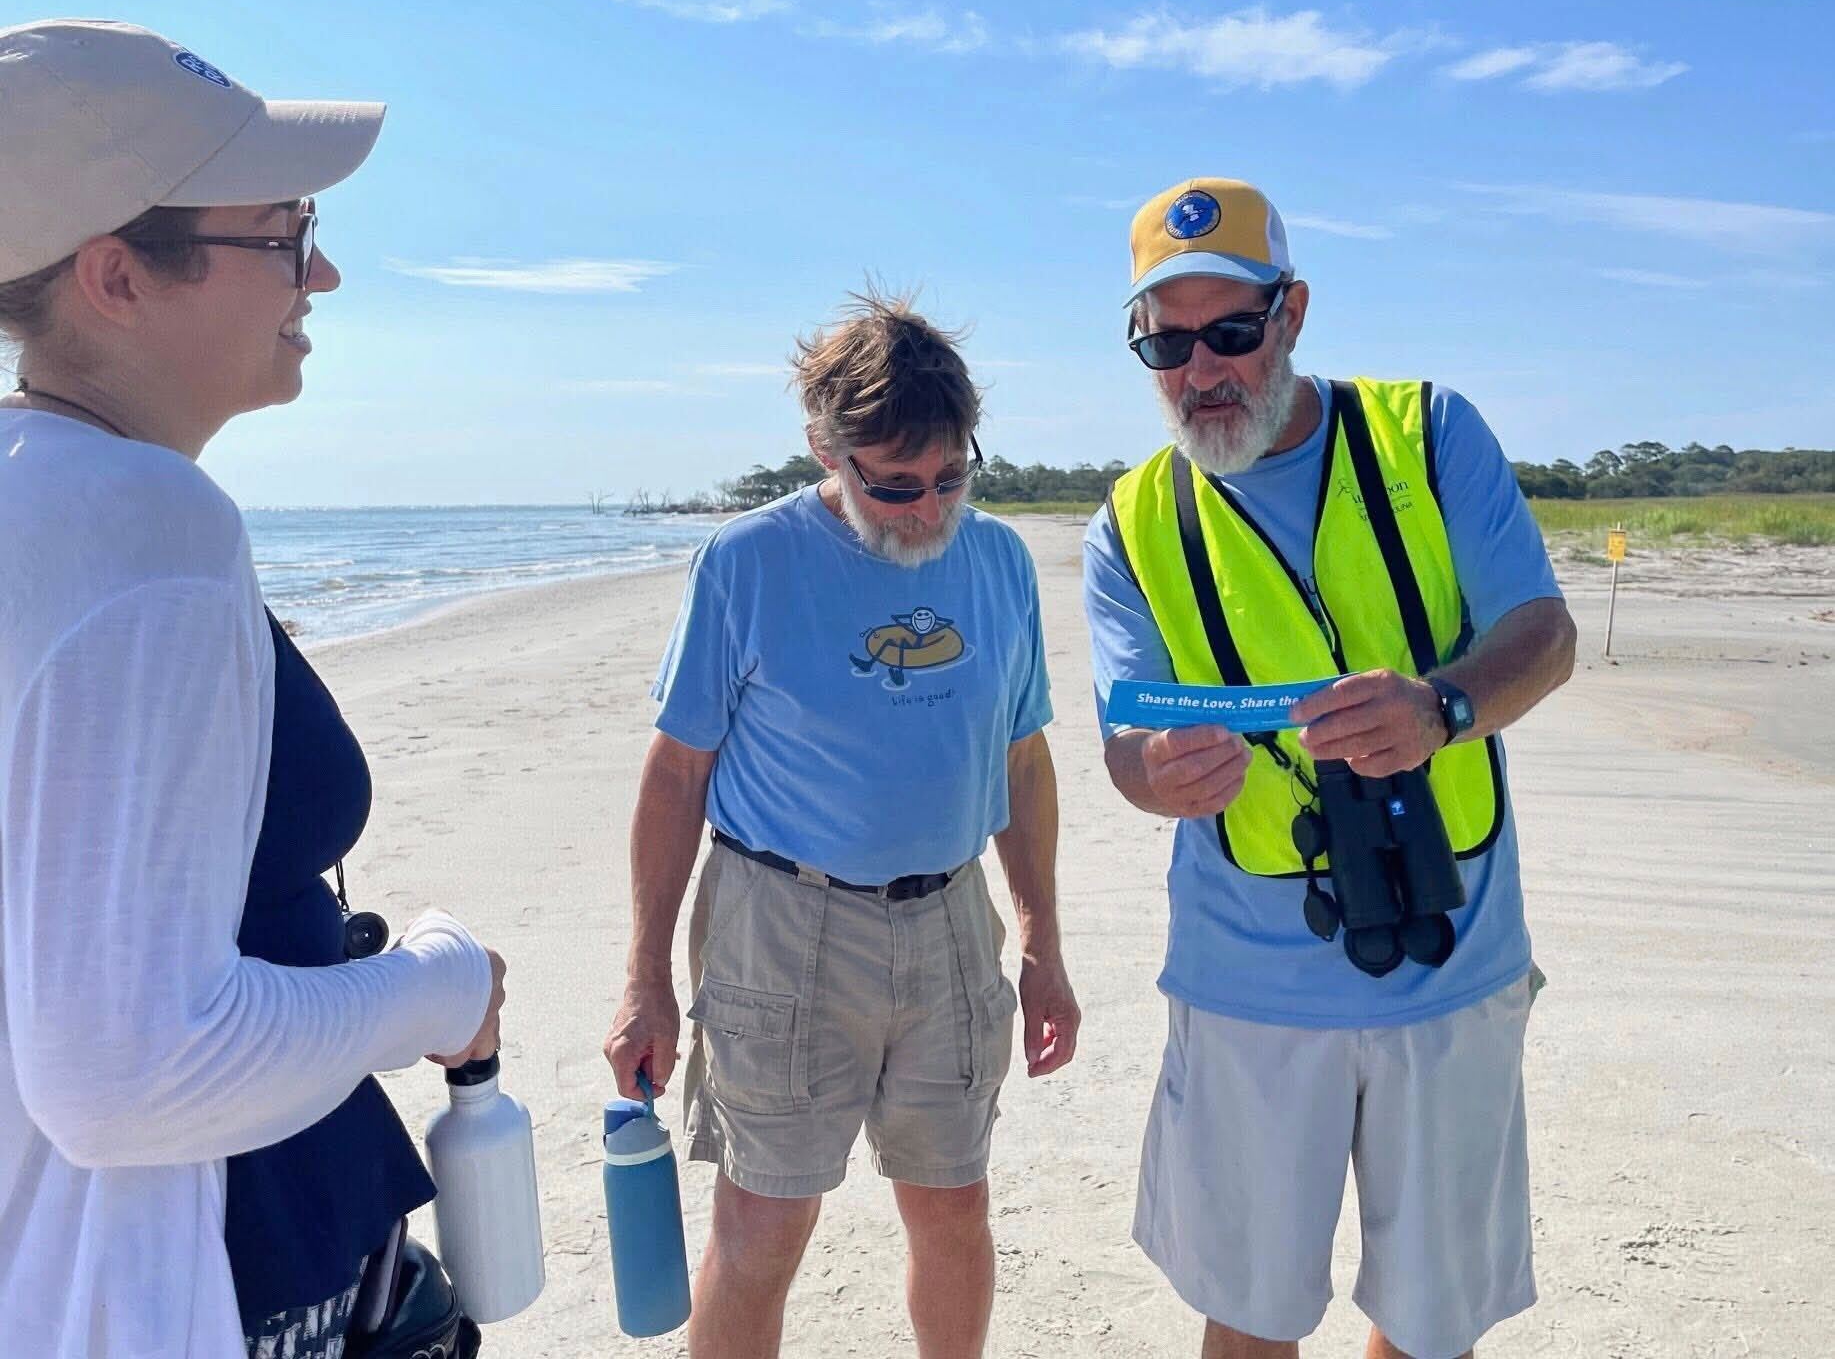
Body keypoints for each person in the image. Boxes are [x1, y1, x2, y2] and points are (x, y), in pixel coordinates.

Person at [0, 19, 506, 1359]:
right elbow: (125, 1074)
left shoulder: (33, 500)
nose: (321, 270)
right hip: (145, 1286)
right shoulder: (139, 528)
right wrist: (435, 992)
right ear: (115, 275)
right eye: (282, 232)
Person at [1083, 177, 1577, 1359]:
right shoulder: (1130, 520)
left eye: (1230, 332)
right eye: (1164, 341)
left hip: (1450, 966)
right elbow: (1121, 750)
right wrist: (1157, 774)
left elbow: (1543, 637)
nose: (1199, 369)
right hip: (1244, 986)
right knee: (1247, 1316)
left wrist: (1442, 704)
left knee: (1429, 1319)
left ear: (1291, 311)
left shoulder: (1429, 431)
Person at [603, 289, 1080, 1359]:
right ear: (825, 448)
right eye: (894, 485)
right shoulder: (745, 561)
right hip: (781, 925)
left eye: (949, 478)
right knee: (763, 1223)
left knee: (953, 1210)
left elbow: (1023, 756)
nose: (924, 509)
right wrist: (645, 980)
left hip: (953, 924)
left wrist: (1041, 940)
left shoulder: (998, 561)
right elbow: (677, 776)